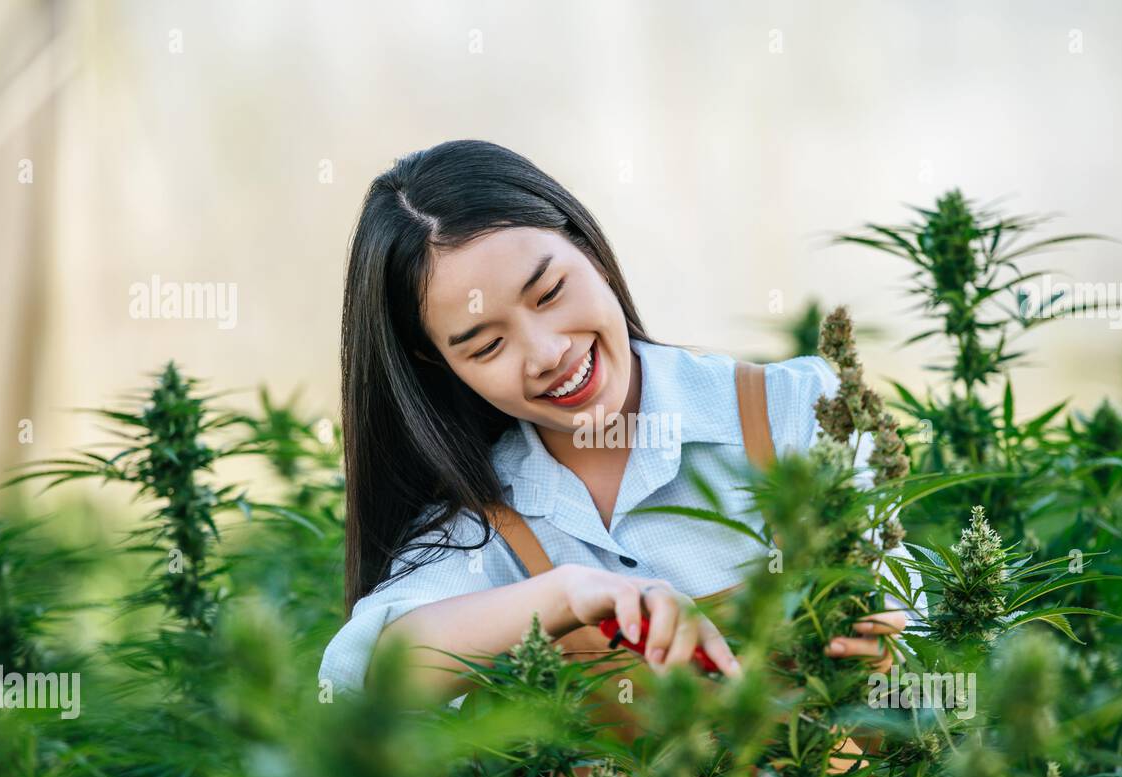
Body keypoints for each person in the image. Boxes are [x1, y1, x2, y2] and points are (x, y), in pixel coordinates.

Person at [319, 139, 919, 710]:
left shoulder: (797, 411)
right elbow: (373, 677)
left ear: (590, 250)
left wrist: (887, 648)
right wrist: (567, 595)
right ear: (439, 363)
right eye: (486, 345)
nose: (546, 352)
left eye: (550, 292)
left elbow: (919, 644)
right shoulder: (484, 523)